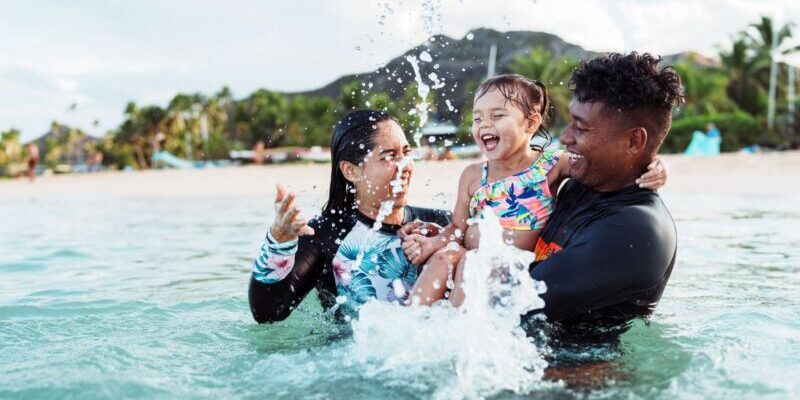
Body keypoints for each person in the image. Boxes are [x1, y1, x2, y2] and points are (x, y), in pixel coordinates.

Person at [402, 74, 667, 306]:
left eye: (497, 116)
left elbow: (609, 159)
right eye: (477, 117)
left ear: (530, 124)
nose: (484, 125)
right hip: (471, 255)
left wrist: (654, 165)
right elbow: (457, 228)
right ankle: (410, 325)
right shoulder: (473, 175)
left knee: (472, 266)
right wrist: (433, 243)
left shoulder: (549, 165)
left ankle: (457, 334)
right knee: (442, 259)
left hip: (512, 267)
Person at [248, 110, 450, 323]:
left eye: (406, 152)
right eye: (389, 156)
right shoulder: (325, 235)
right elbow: (267, 313)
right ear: (351, 171)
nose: (405, 165)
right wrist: (278, 245)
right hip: (348, 352)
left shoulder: (441, 224)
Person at [527, 52, 682, 329]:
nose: (565, 137)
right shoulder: (583, 183)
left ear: (634, 141)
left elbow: (515, 300)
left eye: (581, 127)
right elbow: (506, 220)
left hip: (573, 370)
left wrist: (451, 255)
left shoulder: (637, 229)